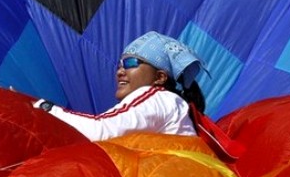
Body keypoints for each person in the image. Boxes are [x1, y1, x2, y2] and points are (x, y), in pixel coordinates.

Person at [32, 31, 207, 141]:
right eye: (119, 65)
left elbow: (98, 131)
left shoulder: (157, 96)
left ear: (159, 77)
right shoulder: (171, 104)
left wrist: (42, 107)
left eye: (131, 63)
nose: (120, 72)